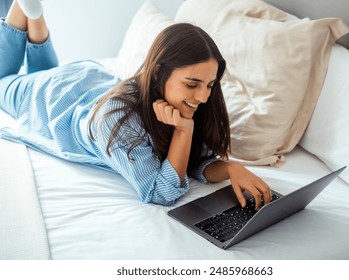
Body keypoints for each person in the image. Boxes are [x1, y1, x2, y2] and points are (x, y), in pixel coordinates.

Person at [0, 0, 272, 209]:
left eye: (210, 85)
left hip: (88, 79)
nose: (202, 97)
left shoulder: (189, 101)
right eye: (192, 84)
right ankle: (27, 14)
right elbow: (160, 192)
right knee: (6, 79)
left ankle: (34, 17)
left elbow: (194, 162)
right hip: (52, 96)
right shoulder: (116, 120)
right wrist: (183, 131)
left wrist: (230, 168)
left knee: (38, 70)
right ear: (157, 73)